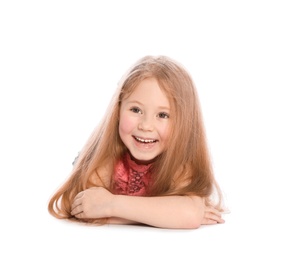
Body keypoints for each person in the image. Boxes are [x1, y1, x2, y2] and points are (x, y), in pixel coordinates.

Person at [48, 55, 227, 229]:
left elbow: (189, 215)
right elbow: (81, 206)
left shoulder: (180, 164)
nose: (146, 125)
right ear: (118, 110)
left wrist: (110, 205)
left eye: (163, 115)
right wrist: (165, 216)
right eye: (136, 110)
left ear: (184, 123)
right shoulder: (107, 157)